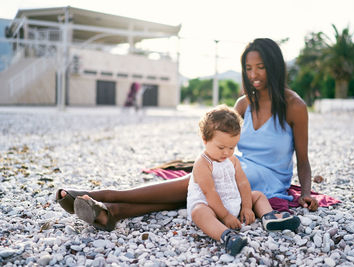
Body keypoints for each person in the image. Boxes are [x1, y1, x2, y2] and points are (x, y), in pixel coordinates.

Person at [55, 37, 318, 232]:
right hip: (240, 169)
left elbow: (303, 160)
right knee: (195, 192)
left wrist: (306, 193)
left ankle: (106, 195)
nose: (254, 75)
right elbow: (226, 147)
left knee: (194, 182)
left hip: (269, 179)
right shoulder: (243, 104)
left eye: (260, 67)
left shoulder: (294, 106)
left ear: (273, 66)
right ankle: (110, 213)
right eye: (248, 69)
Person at [187, 105, 300, 256]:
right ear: (205, 140)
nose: (226, 152)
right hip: (211, 206)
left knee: (258, 195)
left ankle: (269, 217)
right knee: (199, 212)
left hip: (233, 201)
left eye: (232, 147)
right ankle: (226, 236)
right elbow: (210, 192)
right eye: (221, 147)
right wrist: (226, 216)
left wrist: (246, 206)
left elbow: (243, 183)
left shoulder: (232, 160)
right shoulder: (203, 163)